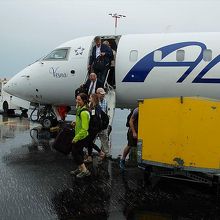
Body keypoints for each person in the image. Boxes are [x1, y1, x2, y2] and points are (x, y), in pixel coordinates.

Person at [70, 93, 91, 178]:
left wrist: (76, 138)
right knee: (79, 152)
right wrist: (75, 122)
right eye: (76, 99)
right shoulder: (80, 108)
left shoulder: (84, 112)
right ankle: (80, 168)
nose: (77, 101)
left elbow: (85, 128)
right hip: (79, 134)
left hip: (81, 136)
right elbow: (80, 121)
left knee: (75, 153)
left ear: (84, 101)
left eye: (79, 100)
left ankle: (85, 171)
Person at [85, 93, 105, 163]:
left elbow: (95, 117)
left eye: (90, 97)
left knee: (89, 142)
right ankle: (89, 157)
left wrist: (90, 112)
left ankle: (100, 152)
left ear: (93, 99)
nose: (89, 99)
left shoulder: (96, 107)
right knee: (89, 142)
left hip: (94, 128)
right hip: (91, 127)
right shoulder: (91, 106)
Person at [96, 87, 110, 157]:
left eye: (103, 94)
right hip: (96, 124)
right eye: (101, 94)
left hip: (103, 124)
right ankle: (87, 152)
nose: (103, 95)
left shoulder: (105, 101)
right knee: (92, 139)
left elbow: (106, 111)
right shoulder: (94, 102)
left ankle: (107, 154)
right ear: (97, 94)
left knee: (105, 139)